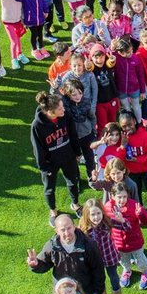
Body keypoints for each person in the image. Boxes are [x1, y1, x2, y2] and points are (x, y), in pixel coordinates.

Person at [31, 91, 83, 224]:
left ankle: (75, 204)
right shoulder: (37, 126)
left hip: (68, 156)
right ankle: (53, 211)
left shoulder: (66, 116)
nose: (63, 109)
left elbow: (73, 134)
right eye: (60, 108)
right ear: (50, 111)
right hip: (50, 163)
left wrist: (77, 153)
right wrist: (44, 167)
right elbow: (38, 149)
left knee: (73, 181)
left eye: (62, 106)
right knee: (49, 188)